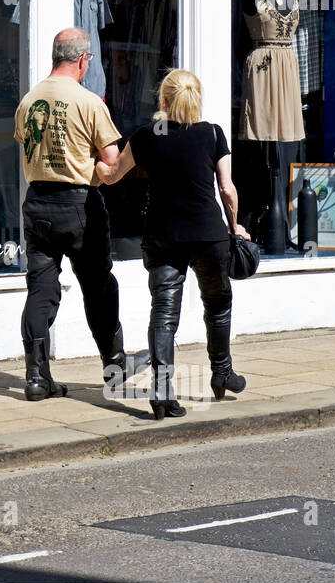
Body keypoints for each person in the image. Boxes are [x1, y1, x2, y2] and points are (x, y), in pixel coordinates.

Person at [95, 68, 249, 419]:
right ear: (196, 100)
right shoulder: (212, 134)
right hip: (209, 235)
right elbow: (226, 187)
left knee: (164, 312)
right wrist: (236, 226)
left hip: (163, 236)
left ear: (163, 100)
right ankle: (221, 372)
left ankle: (163, 390)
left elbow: (113, 174)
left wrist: (88, 165)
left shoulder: (149, 136)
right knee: (218, 303)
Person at [14, 28, 149, 402]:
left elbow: (29, 146)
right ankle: (116, 367)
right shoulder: (89, 102)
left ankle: (36, 377)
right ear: (83, 60)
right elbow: (110, 160)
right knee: (98, 286)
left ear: (55, 55)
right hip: (79, 205)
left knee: (41, 288)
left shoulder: (28, 100)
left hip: (37, 202)